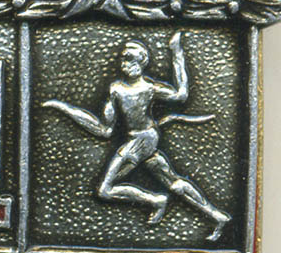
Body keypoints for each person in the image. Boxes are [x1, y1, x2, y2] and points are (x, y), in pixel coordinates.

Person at [43, 33, 231, 241]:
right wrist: (66, 109)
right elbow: (104, 130)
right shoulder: (116, 90)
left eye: (131, 59)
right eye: (124, 59)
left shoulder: (149, 88)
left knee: (105, 190)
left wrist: (177, 53)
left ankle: (156, 200)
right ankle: (217, 216)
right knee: (173, 182)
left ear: (142, 62)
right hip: (140, 141)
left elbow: (181, 95)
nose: (126, 63)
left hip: (142, 140)